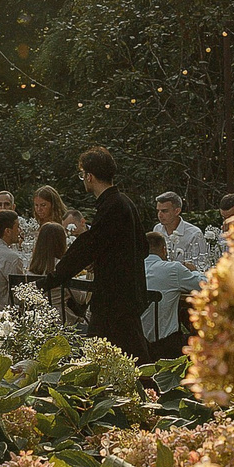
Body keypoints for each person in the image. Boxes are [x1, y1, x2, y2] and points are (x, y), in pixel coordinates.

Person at [45, 148, 147, 359]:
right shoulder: (124, 203)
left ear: (89, 176)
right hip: (125, 293)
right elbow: (142, 246)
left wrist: (55, 277)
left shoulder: (112, 206)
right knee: (120, 353)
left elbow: (88, 245)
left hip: (114, 297)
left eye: (82, 174)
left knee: (119, 355)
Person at [141, 230, 205, 359]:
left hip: (137, 343)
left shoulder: (132, 270)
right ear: (164, 250)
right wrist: (195, 271)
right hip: (166, 345)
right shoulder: (173, 269)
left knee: (181, 311)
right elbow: (204, 285)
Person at [155, 192, 212, 270]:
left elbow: (202, 265)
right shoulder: (157, 229)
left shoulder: (194, 234)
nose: (160, 215)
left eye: (164, 211)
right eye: (158, 211)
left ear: (177, 211)